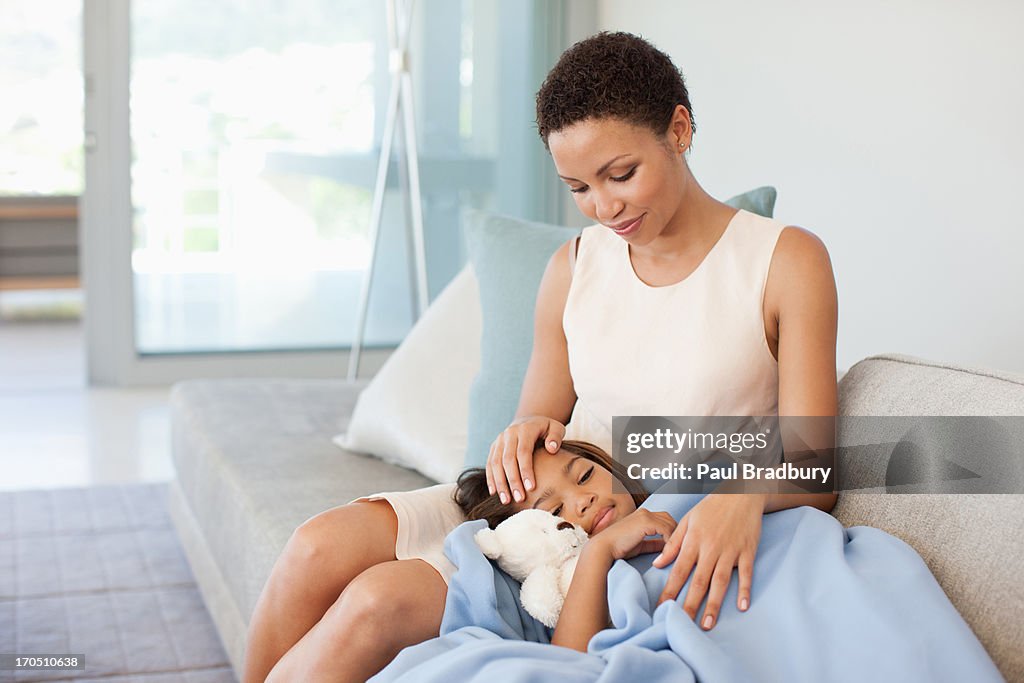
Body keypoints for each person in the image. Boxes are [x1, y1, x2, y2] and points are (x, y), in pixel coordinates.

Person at [243, 30, 838, 683]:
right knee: (314, 547)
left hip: (610, 531)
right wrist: (524, 433)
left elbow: (817, 464)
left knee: (375, 602)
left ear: (679, 128)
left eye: (621, 175)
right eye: (578, 186)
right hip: (534, 511)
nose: (603, 207)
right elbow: (538, 422)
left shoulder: (786, 261)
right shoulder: (574, 266)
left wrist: (742, 491)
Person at [457, 439, 678, 652]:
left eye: (585, 476)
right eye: (555, 511)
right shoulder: (573, 597)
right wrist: (599, 550)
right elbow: (569, 662)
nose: (584, 500)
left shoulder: (676, 491)